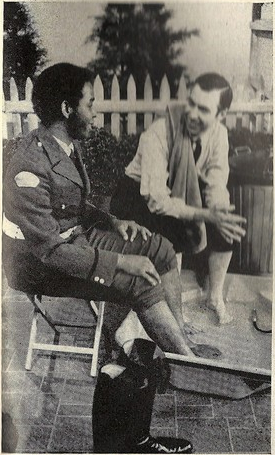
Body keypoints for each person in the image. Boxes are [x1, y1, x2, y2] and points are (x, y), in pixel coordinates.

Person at [3, 63, 221, 454]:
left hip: (74, 243)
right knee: (139, 277)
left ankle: (179, 343)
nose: (97, 111)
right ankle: (186, 364)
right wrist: (120, 264)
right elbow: (50, 251)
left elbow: (74, 205)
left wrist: (114, 221)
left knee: (159, 248)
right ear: (69, 109)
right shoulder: (28, 164)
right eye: (91, 103)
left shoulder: (63, 146)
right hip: (43, 264)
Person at [110, 72, 246, 325]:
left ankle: (214, 296)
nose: (193, 114)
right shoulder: (159, 133)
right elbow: (156, 200)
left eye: (203, 109)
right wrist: (203, 214)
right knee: (173, 229)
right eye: (191, 103)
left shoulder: (219, 135)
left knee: (227, 223)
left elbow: (216, 181)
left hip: (181, 192)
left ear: (221, 115)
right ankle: (170, 312)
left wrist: (218, 211)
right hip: (136, 197)